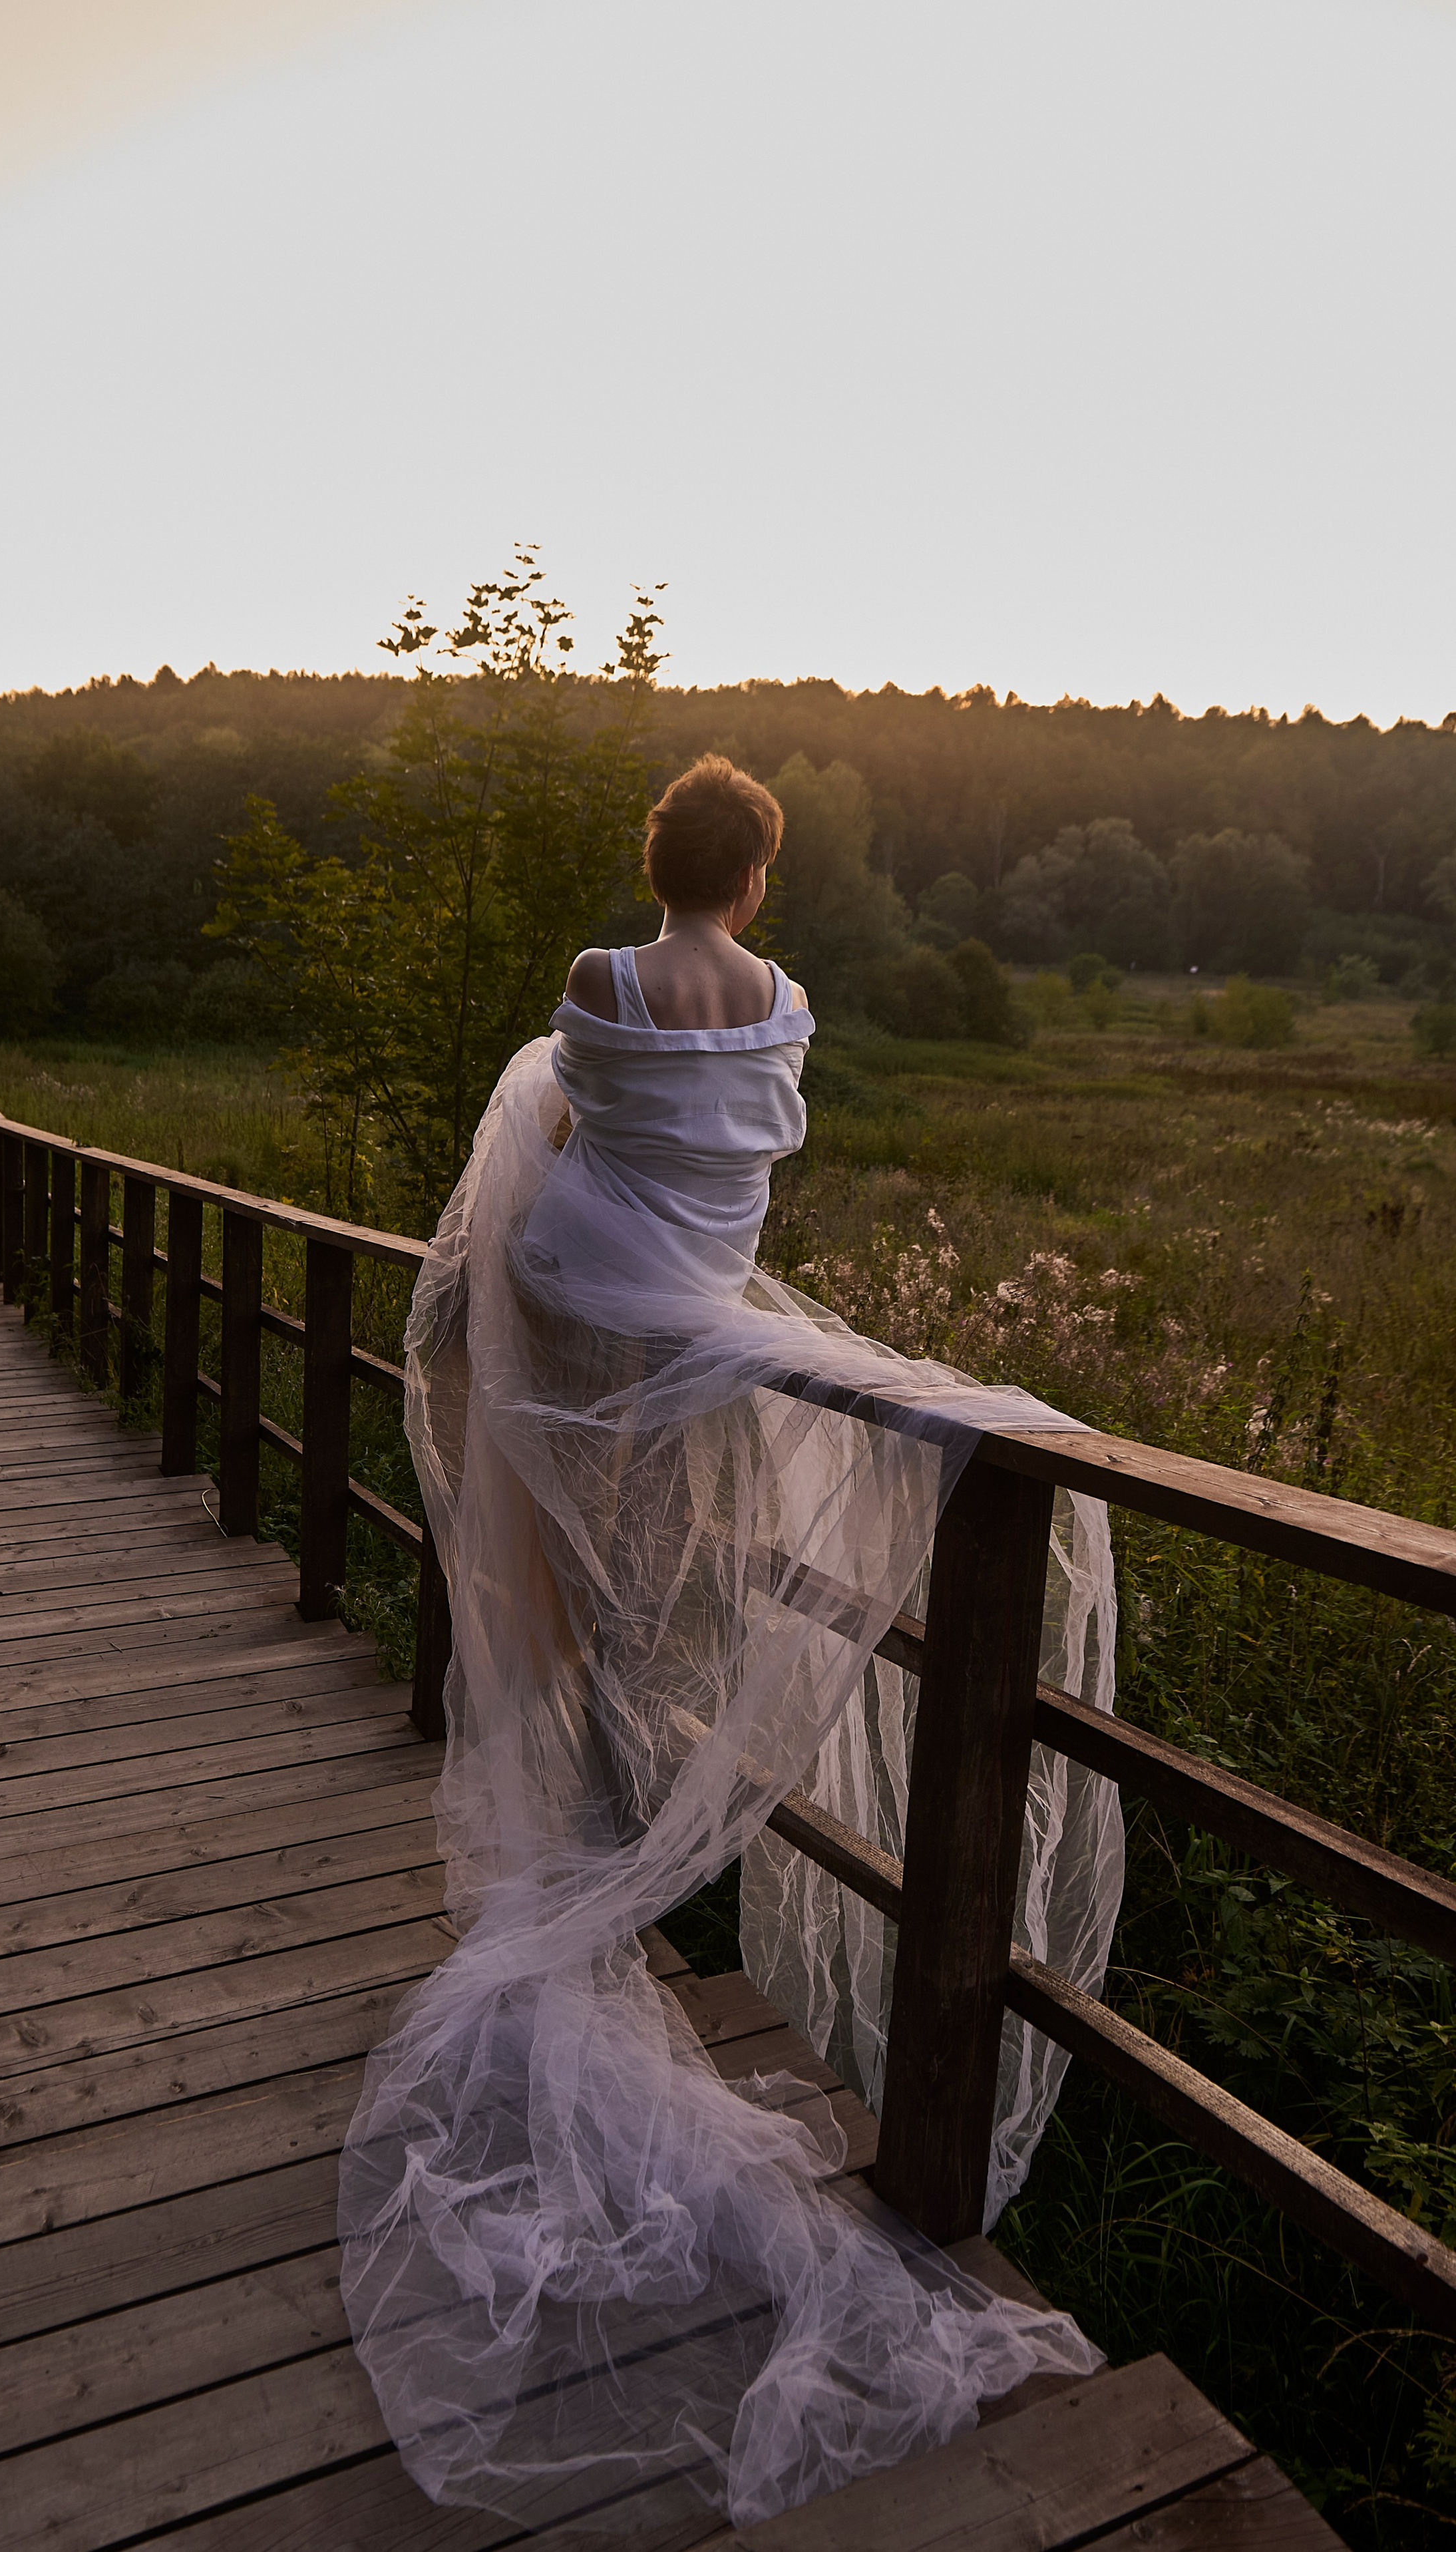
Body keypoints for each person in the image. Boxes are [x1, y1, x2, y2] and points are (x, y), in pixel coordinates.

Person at [338, 755, 1123, 2535]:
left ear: (656, 868)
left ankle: (592, 1812)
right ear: (756, 879)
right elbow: (739, 1142)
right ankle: (623, 1800)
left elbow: (564, 1112)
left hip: (596, 1312)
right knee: (667, 1586)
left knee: (567, 1518)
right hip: (702, 1336)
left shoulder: (602, 990)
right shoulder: (789, 1002)